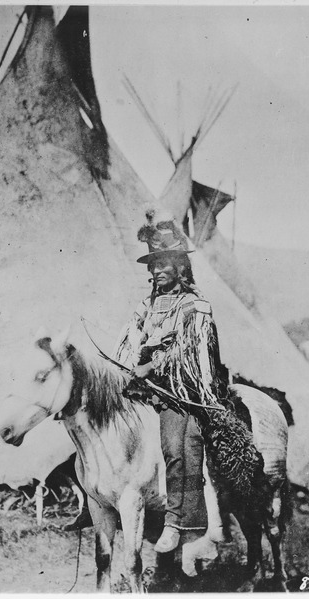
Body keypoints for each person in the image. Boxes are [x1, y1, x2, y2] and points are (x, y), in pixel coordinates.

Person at [113, 211, 224, 553]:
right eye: (153, 264)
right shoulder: (147, 305)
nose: (157, 270)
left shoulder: (195, 305)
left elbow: (191, 352)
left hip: (184, 390)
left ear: (180, 267)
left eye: (164, 263)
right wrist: (130, 361)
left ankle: (180, 523)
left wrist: (153, 367)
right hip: (147, 390)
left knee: (180, 447)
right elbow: (130, 339)